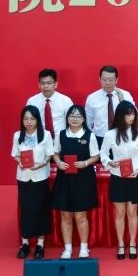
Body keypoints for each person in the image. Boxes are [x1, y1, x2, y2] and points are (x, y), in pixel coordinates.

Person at [102, 100, 138, 261]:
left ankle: (132, 243)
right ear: (120, 116)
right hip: (118, 176)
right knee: (120, 212)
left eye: (133, 114)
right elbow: (103, 154)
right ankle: (121, 244)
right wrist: (110, 162)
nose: (132, 117)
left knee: (132, 212)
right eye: (128, 115)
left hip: (135, 176)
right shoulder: (110, 134)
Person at [51, 104, 101, 259]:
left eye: (78, 116)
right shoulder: (61, 134)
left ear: (83, 119)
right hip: (64, 178)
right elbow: (55, 153)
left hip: (83, 179)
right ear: (67, 118)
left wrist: (85, 163)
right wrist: (58, 162)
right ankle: (67, 248)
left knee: (80, 215)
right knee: (65, 215)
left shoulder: (89, 136)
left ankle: (84, 247)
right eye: (72, 116)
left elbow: (96, 156)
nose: (74, 119)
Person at [11, 104, 52, 260]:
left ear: (37, 120)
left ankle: (40, 244)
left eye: (32, 119)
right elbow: (15, 154)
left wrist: (41, 164)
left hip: (40, 177)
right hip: (23, 177)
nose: (29, 122)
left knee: (40, 209)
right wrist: (20, 162)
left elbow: (49, 154)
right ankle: (25, 243)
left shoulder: (46, 135)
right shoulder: (17, 135)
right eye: (26, 119)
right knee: (26, 210)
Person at [85, 64, 136, 136]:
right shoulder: (92, 98)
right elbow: (88, 123)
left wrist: (123, 102)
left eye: (111, 80)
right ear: (99, 79)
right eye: (104, 79)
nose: (107, 83)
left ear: (116, 80)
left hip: (121, 137)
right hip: (100, 138)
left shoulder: (125, 95)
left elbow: (135, 116)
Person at [26, 68, 74, 139]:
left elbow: (72, 122)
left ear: (56, 84)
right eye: (43, 83)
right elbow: (28, 122)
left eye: (49, 83)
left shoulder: (65, 101)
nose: (46, 86)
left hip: (61, 139)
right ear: (39, 85)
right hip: (39, 139)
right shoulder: (32, 102)